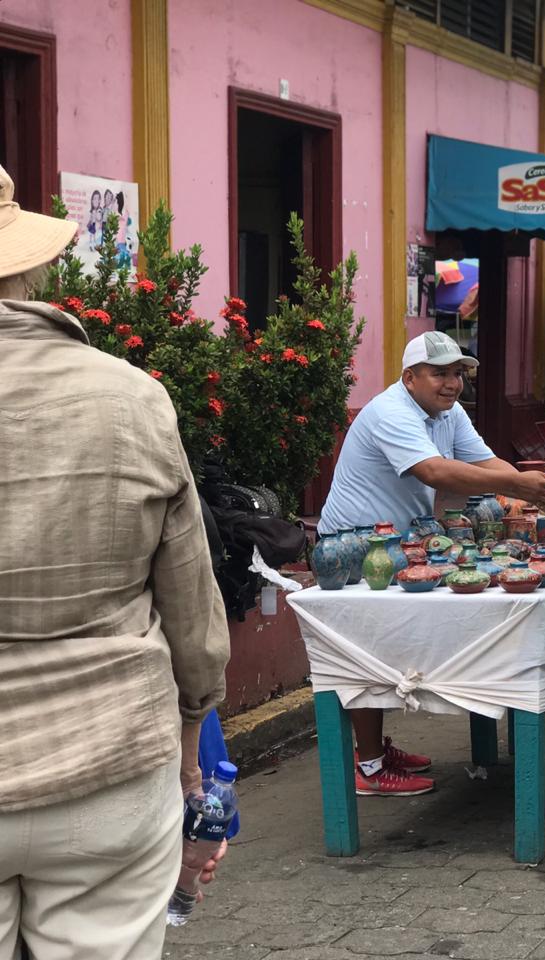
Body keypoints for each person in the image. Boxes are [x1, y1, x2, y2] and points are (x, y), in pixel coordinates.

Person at [0, 163, 230, 958]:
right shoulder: (129, 397)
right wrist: (195, 724)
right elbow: (192, 611)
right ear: (26, 265)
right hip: (109, 761)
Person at [319, 331, 545, 796]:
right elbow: (433, 471)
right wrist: (519, 489)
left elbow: (486, 460)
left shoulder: (448, 412)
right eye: (440, 374)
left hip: (400, 542)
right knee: (363, 652)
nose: (453, 383)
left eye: (458, 373)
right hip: (353, 550)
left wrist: (533, 486)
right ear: (409, 377)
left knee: (387, 650)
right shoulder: (391, 411)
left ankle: (373, 749)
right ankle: (369, 767)